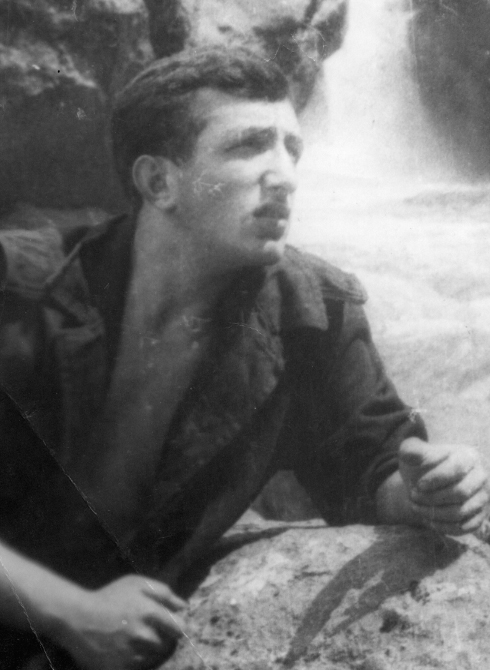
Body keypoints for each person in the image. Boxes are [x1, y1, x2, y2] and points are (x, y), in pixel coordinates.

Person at [0, 45, 487, 670]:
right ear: (158, 182)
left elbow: (372, 469)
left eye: (292, 149)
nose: (285, 175)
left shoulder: (312, 314)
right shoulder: (21, 287)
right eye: (249, 145)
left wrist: (430, 491)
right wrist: (69, 611)